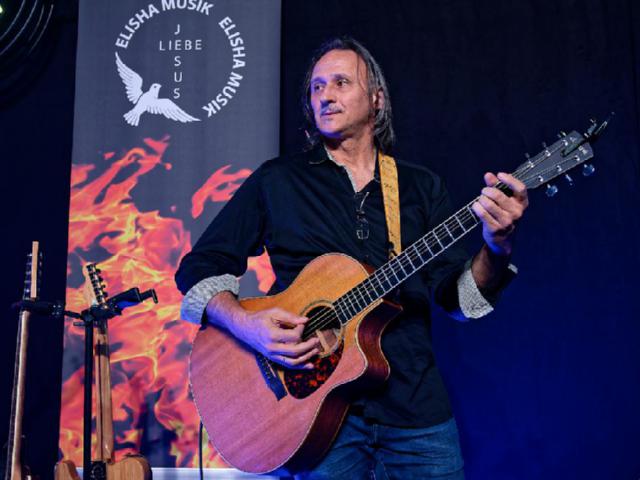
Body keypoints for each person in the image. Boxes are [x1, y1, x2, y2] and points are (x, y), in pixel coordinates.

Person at [175, 37, 528, 479]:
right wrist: (248, 326)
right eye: (317, 87)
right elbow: (198, 269)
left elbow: (458, 301)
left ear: (376, 99)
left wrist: (497, 246)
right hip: (313, 417)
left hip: (414, 410)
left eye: (341, 82)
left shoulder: (419, 187)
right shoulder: (278, 181)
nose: (325, 95)